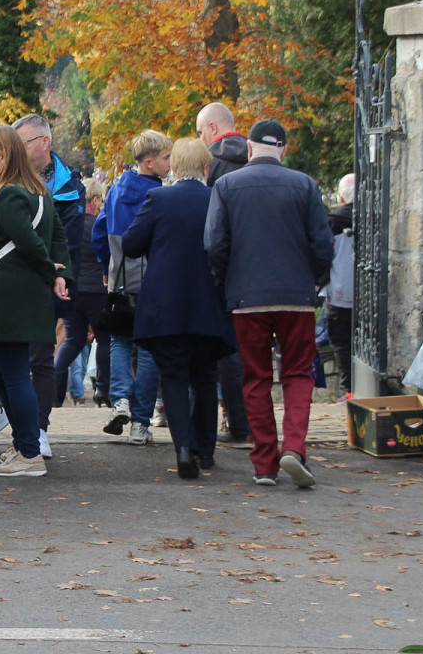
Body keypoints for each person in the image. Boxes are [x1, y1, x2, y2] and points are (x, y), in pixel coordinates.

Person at [205, 119, 334, 489]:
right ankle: (294, 447)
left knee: (256, 377)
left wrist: (226, 280)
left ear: (249, 148)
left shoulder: (227, 186)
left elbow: (214, 243)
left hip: (247, 298)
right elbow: (322, 244)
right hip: (296, 296)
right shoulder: (305, 185)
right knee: (297, 374)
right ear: (284, 150)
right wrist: (312, 279)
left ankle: (264, 461)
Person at [123, 140, 236, 479]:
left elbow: (130, 245)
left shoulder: (158, 199)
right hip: (208, 305)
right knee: (205, 376)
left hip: (165, 306)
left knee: (172, 375)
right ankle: (206, 450)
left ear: (174, 167)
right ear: (206, 168)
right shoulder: (218, 198)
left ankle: (183, 447)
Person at [0, 126, 72, 477]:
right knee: (3, 371)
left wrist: (50, 270)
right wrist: (60, 275)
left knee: (13, 374)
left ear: (3, 156)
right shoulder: (40, 191)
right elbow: (57, 237)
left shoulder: (10, 194)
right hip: (26, 295)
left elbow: (27, 241)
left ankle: (29, 452)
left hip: (10, 295)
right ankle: (24, 445)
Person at [12, 114, 85, 456]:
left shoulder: (70, 185)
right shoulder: (10, 179)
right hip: (13, 282)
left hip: (48, 284)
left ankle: (38, 429)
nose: (17, 151)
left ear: (44, 142)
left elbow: (67, 243)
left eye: (22, 143)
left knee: (41, 356)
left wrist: (58, 276)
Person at [92, 130, 171, 444]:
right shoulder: (160, 194)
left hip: (120, 278)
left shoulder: (114, 191)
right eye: (166, 158)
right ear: (150, 162)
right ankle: (141, 422)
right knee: (150, 349)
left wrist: (106, 265)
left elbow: (100, 232)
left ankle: (120, 399)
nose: (170, 163)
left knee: (120, 341)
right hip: (154, 279)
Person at [197, 102, 250, 444]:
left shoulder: (211, 165)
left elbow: (212, 228)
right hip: (258, 267)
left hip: (224, 269)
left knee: (227, 349)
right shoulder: (256, 155)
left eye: (201, 132)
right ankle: (252, 422)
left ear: (213, 130)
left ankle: (235, 421)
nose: (200, 139)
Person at [54, 177, 110, 408]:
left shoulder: (69, 225)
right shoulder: (101, 224)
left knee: (72, 341)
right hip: (98, 290)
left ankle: (55, 392)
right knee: (105, 340)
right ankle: (103, 390)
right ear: (95, 199)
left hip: (72, 290)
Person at [325, 173, 355, 397]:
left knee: (341, 343)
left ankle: (349, 390)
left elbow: (322, 255)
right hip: (369, 293)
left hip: (339, 291)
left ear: (341, 198)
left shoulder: (332, 221)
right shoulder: (373, 217)